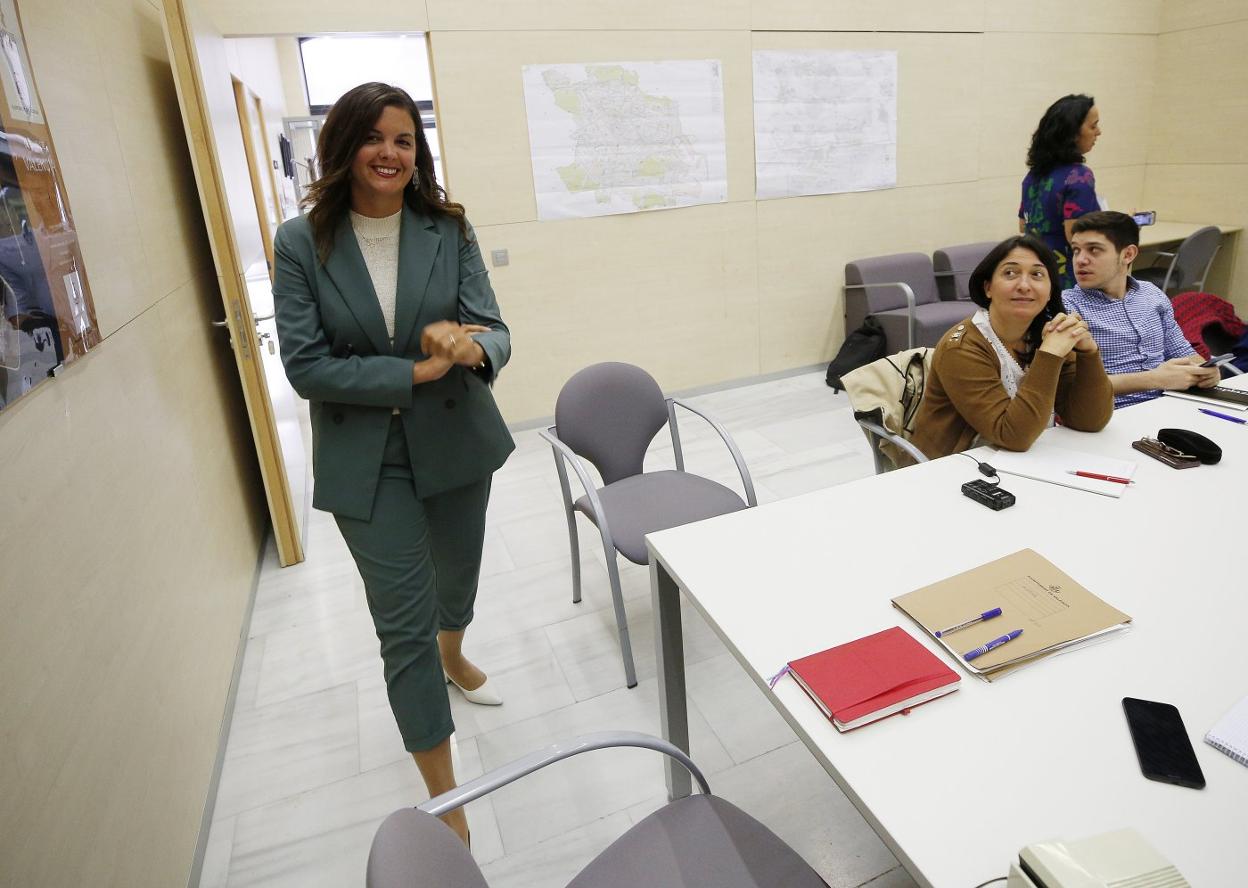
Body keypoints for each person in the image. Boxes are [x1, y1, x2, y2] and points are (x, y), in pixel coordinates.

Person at [271, 82, 514, 845]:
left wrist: (471, 348)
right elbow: (306, 367)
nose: (390, 152)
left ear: (418, 152)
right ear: (343, 148)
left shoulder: (448, 227)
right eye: (374, 138)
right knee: (401, 626)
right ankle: (449, 807)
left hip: (455, 439)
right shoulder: (301, 242)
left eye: (404, 139)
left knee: (458, 575)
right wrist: (409, 372)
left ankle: (457, 649)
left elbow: (495, 329)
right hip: (366, 461)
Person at [909, 235, 1113, 461]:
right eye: (1010, 273)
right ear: (988, 288)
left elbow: (1090, 420)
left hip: (1021, 461)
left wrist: (1088, 353)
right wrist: (1049, 355)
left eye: (1037, 275)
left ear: (1049, 292)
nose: (1024, 286)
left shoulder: (1048, 334)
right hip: (951, 468)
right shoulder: (962, 347)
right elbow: (1012, 436)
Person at [1063, 211, 1220, 407]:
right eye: (1076, 250)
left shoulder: (1151, 294)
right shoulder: (1068, 307)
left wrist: (1206, 371)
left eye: (1094, 250)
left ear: (1128, 254)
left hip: (1170, 404)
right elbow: (1072, 387)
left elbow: (1183, 352)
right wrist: (1156, 379)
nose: (1080, 260)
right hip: (1110, 415)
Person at [1019, 94, 1102, 289]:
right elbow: (1077, 237)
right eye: (1093, 126)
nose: (1098, 132)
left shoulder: (1034, 175)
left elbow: (1023, 225)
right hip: (1065, 274)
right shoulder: (1079, 176)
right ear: (1072, 133)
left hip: (1033, 268)